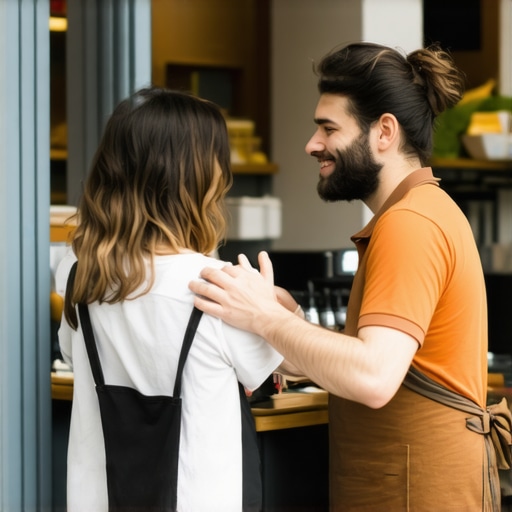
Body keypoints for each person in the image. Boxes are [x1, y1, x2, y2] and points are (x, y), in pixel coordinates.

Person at [189, 42, 511, 510]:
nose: (312, 144)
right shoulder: (419, 212)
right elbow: (374, 362)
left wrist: (268, 321)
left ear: (384, 132)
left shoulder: (409, 224)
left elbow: (374, 376)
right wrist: (292, 321)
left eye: (328, 127)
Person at [55, 87, 290, 512]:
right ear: (200, 177)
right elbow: (287, 364)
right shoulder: (219, 285)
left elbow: (73, 357)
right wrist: (284, 309)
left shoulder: (80, 274)